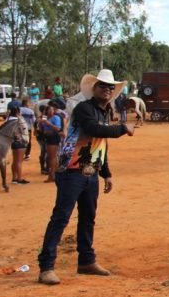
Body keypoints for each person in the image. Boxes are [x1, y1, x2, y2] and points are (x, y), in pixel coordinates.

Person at [37, 69, 135, 285]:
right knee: (61, 217)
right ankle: (46, 267)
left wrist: (106, 173)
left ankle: (86, 261)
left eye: (111, 87)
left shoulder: (103, 111)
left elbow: (100, 143)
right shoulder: (84, 108)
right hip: (71, 171)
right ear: (94, 88)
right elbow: (94, 130)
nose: (107, 90)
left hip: (90, 171)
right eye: (103, 86)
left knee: (88, 217)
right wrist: (122, 128)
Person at [6, 105, 30, 184]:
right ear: (17, 112)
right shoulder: (18, 120)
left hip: (13, 141)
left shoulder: (8, 119)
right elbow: (23, 130)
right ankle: (19, 179)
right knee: (19, 161)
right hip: (20, 141)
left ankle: (14, 178)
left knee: (15, 161)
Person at [40, 102, 63, 182]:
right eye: (49, 110)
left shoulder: (56, 117)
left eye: (52, 110)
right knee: (51, 157)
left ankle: (52, 175)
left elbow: (58, 128)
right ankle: (54, 175)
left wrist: (48, 124)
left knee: (52, 157)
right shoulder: (45, 117)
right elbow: (42, 127)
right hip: (48, 137)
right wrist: (41, 123)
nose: (50, 111)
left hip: (54, 137)